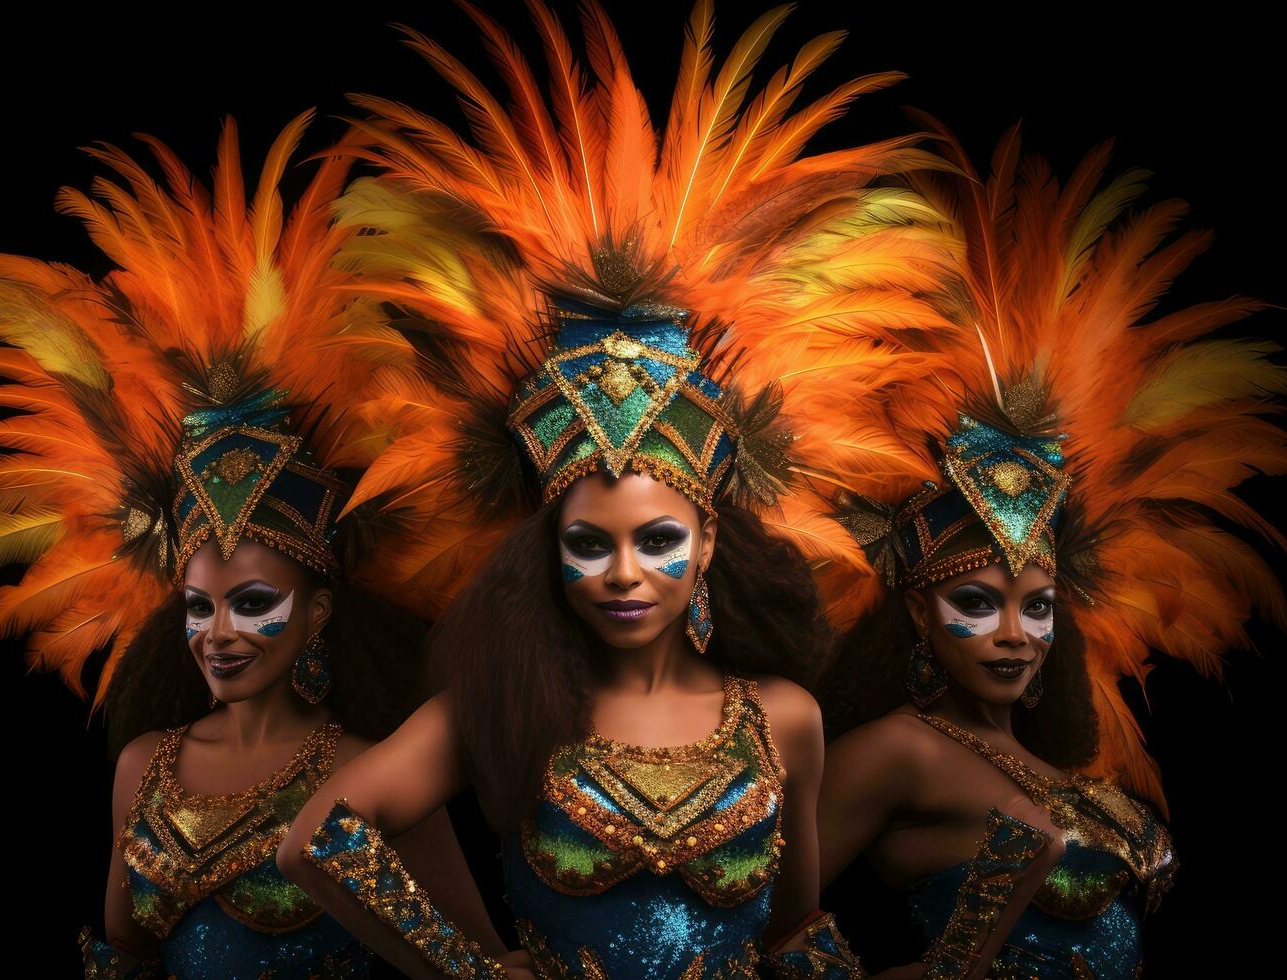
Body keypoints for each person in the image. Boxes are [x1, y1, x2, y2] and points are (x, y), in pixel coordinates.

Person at [271, 3, 947, 976]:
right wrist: (471, 965)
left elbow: (793, 931)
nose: (623, 573)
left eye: (658, 540)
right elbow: (319, 838)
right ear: (549, 548)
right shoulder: (501, 702)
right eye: (590, 543)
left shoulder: (784, 717)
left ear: (709, 542)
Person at [0, 112, 500, 978]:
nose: (218, 632)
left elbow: (470, 957)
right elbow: (127, 951)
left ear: (319, 611)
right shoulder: (145, 767)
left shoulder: (370, 771)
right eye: (200, 605)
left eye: (253, 603)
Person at [803, 121, 1287, 978]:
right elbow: (755, 924)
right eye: (977, 602)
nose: (1016, 631)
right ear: (917, 619)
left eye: (1035, 605)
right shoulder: (899, 749)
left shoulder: (1058, 769)